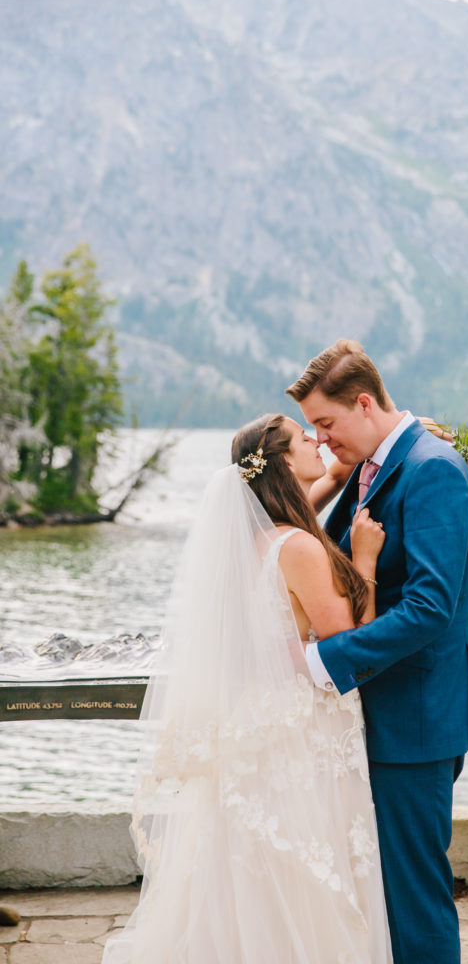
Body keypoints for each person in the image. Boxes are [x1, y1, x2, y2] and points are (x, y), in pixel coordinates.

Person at [102, 413, 394, 963]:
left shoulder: (256, 542)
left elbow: (325, 478)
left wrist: (373, 442)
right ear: (283, 461)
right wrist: (365, 558)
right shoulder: (300, 549)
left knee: (254, 857)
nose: (318, 440)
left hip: (262, 722)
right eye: (305, 437)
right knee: (309, 858)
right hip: (306, 727)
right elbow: (352, 641)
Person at [285, 339, 468, 964]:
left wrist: (329, 661)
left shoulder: (433, 470)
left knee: (413, 896)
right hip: (386, 713)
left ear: (365, 403)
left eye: (326, 423)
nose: (321, 440)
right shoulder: (374, 466)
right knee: (381, 893)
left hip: (417, 718)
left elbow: (430, 608)